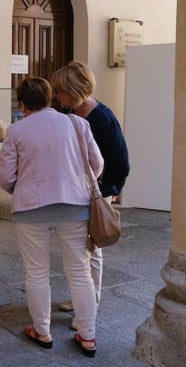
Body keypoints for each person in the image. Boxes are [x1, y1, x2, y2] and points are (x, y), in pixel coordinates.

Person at [0, 77, 103, 358]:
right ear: (51, 98)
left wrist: (20, 189)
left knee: (37, 271)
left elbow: (5, 177)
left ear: (22, 104)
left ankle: (42, 331)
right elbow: (98, 164)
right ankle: (88, 335)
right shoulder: (78, 124)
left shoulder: (17, 130)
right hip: (75, 206)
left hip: (32, 209)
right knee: (80, 271)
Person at [50, 61, 130, 316]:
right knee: (78, 251)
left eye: (60, 91)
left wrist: (109, 190)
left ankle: (89, 307)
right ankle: (81, 298)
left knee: (92, 251)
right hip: (75, 193)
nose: (56, 96)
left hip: (96, 194)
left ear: (74, 90)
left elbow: (120, 161)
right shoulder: (70, 115)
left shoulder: (103, 118)